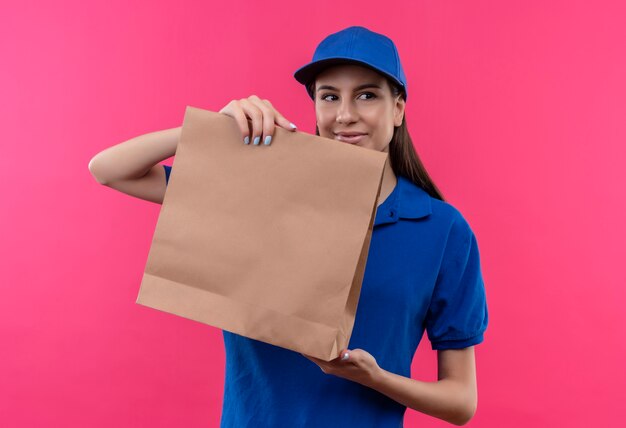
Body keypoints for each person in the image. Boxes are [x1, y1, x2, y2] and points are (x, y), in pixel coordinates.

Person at [89, 25, 488, 427]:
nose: (345, 115)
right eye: (329, 97)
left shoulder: (442, 230)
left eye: (367, 95)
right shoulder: (263, 194)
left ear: (398, 108)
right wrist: (214, 131)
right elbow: (109, 170)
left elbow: (460, 401)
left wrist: (377, 378)